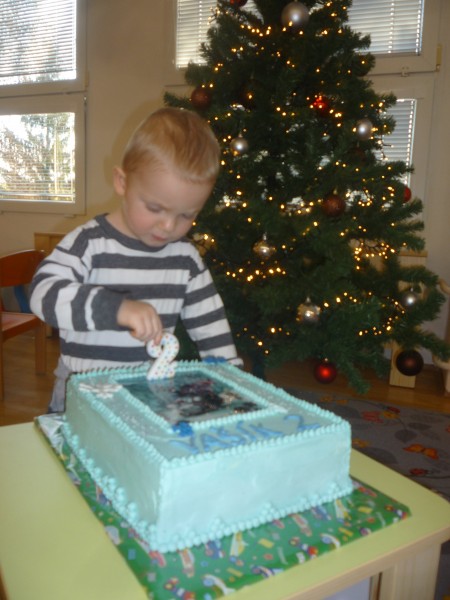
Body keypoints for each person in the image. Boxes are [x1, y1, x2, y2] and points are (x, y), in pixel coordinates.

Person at [30, 107, 242, 412]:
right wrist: (116, 309)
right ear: (122, 182)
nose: (168, 226)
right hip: (82, 392)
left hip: (147, 392)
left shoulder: (186, 259)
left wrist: (232, 381)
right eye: (155, 208)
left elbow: (212, 328)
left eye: (187, 215)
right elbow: (42, 294)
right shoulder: (89, 243)